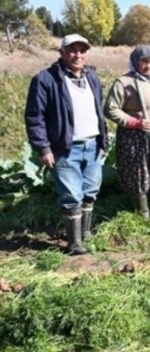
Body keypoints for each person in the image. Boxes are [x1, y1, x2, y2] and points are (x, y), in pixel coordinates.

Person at [24, 34, 108, 255]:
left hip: (92, 145)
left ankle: (85, 233)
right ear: (62, 52)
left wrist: (103, 140)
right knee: (71, 195)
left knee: (90, 190)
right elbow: (35, 117)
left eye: (82, 50)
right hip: (65, 148)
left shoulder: (92, 78)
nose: (77, 55)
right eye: (72, 50)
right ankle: (74, 243)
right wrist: (43, 147)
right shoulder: (46, 79)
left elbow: (98, 112)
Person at [103, 46, 150, 218]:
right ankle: (142, 210)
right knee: (139, 171)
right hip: (136, 134)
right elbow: (110, 109)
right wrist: (135, 122)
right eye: (144, 62)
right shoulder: (124, 82)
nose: (148, 66)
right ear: (135, 62)